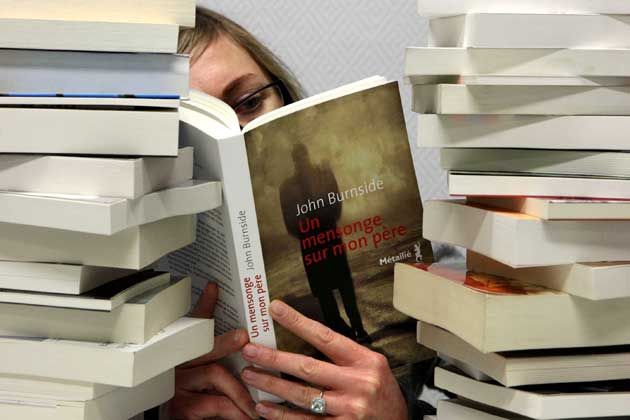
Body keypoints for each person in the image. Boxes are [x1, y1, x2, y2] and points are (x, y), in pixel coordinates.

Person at [170, 8, 422, 420]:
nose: (234, 135)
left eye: (250, 102)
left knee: (341, 293)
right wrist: (153, 401)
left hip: (327, 242)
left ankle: (355, 331)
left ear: (284, 94)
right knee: (325, 294)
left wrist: (396, 415)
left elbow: (331, 205)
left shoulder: (316, 176)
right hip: (307, 245)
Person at [279, 142, 369, 343]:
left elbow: (336, 205)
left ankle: (359, 330)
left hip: (327, 237)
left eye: (302, 156)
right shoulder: (287, 188)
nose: (301, 161)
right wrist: (309, 230)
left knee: (345, 287)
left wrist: (316, 224)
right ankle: (343, 337)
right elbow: (289, 221)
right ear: (294, 161)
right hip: (312, 242)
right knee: (324, 294)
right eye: (297, 158)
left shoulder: (324, 175)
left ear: (307, 155)